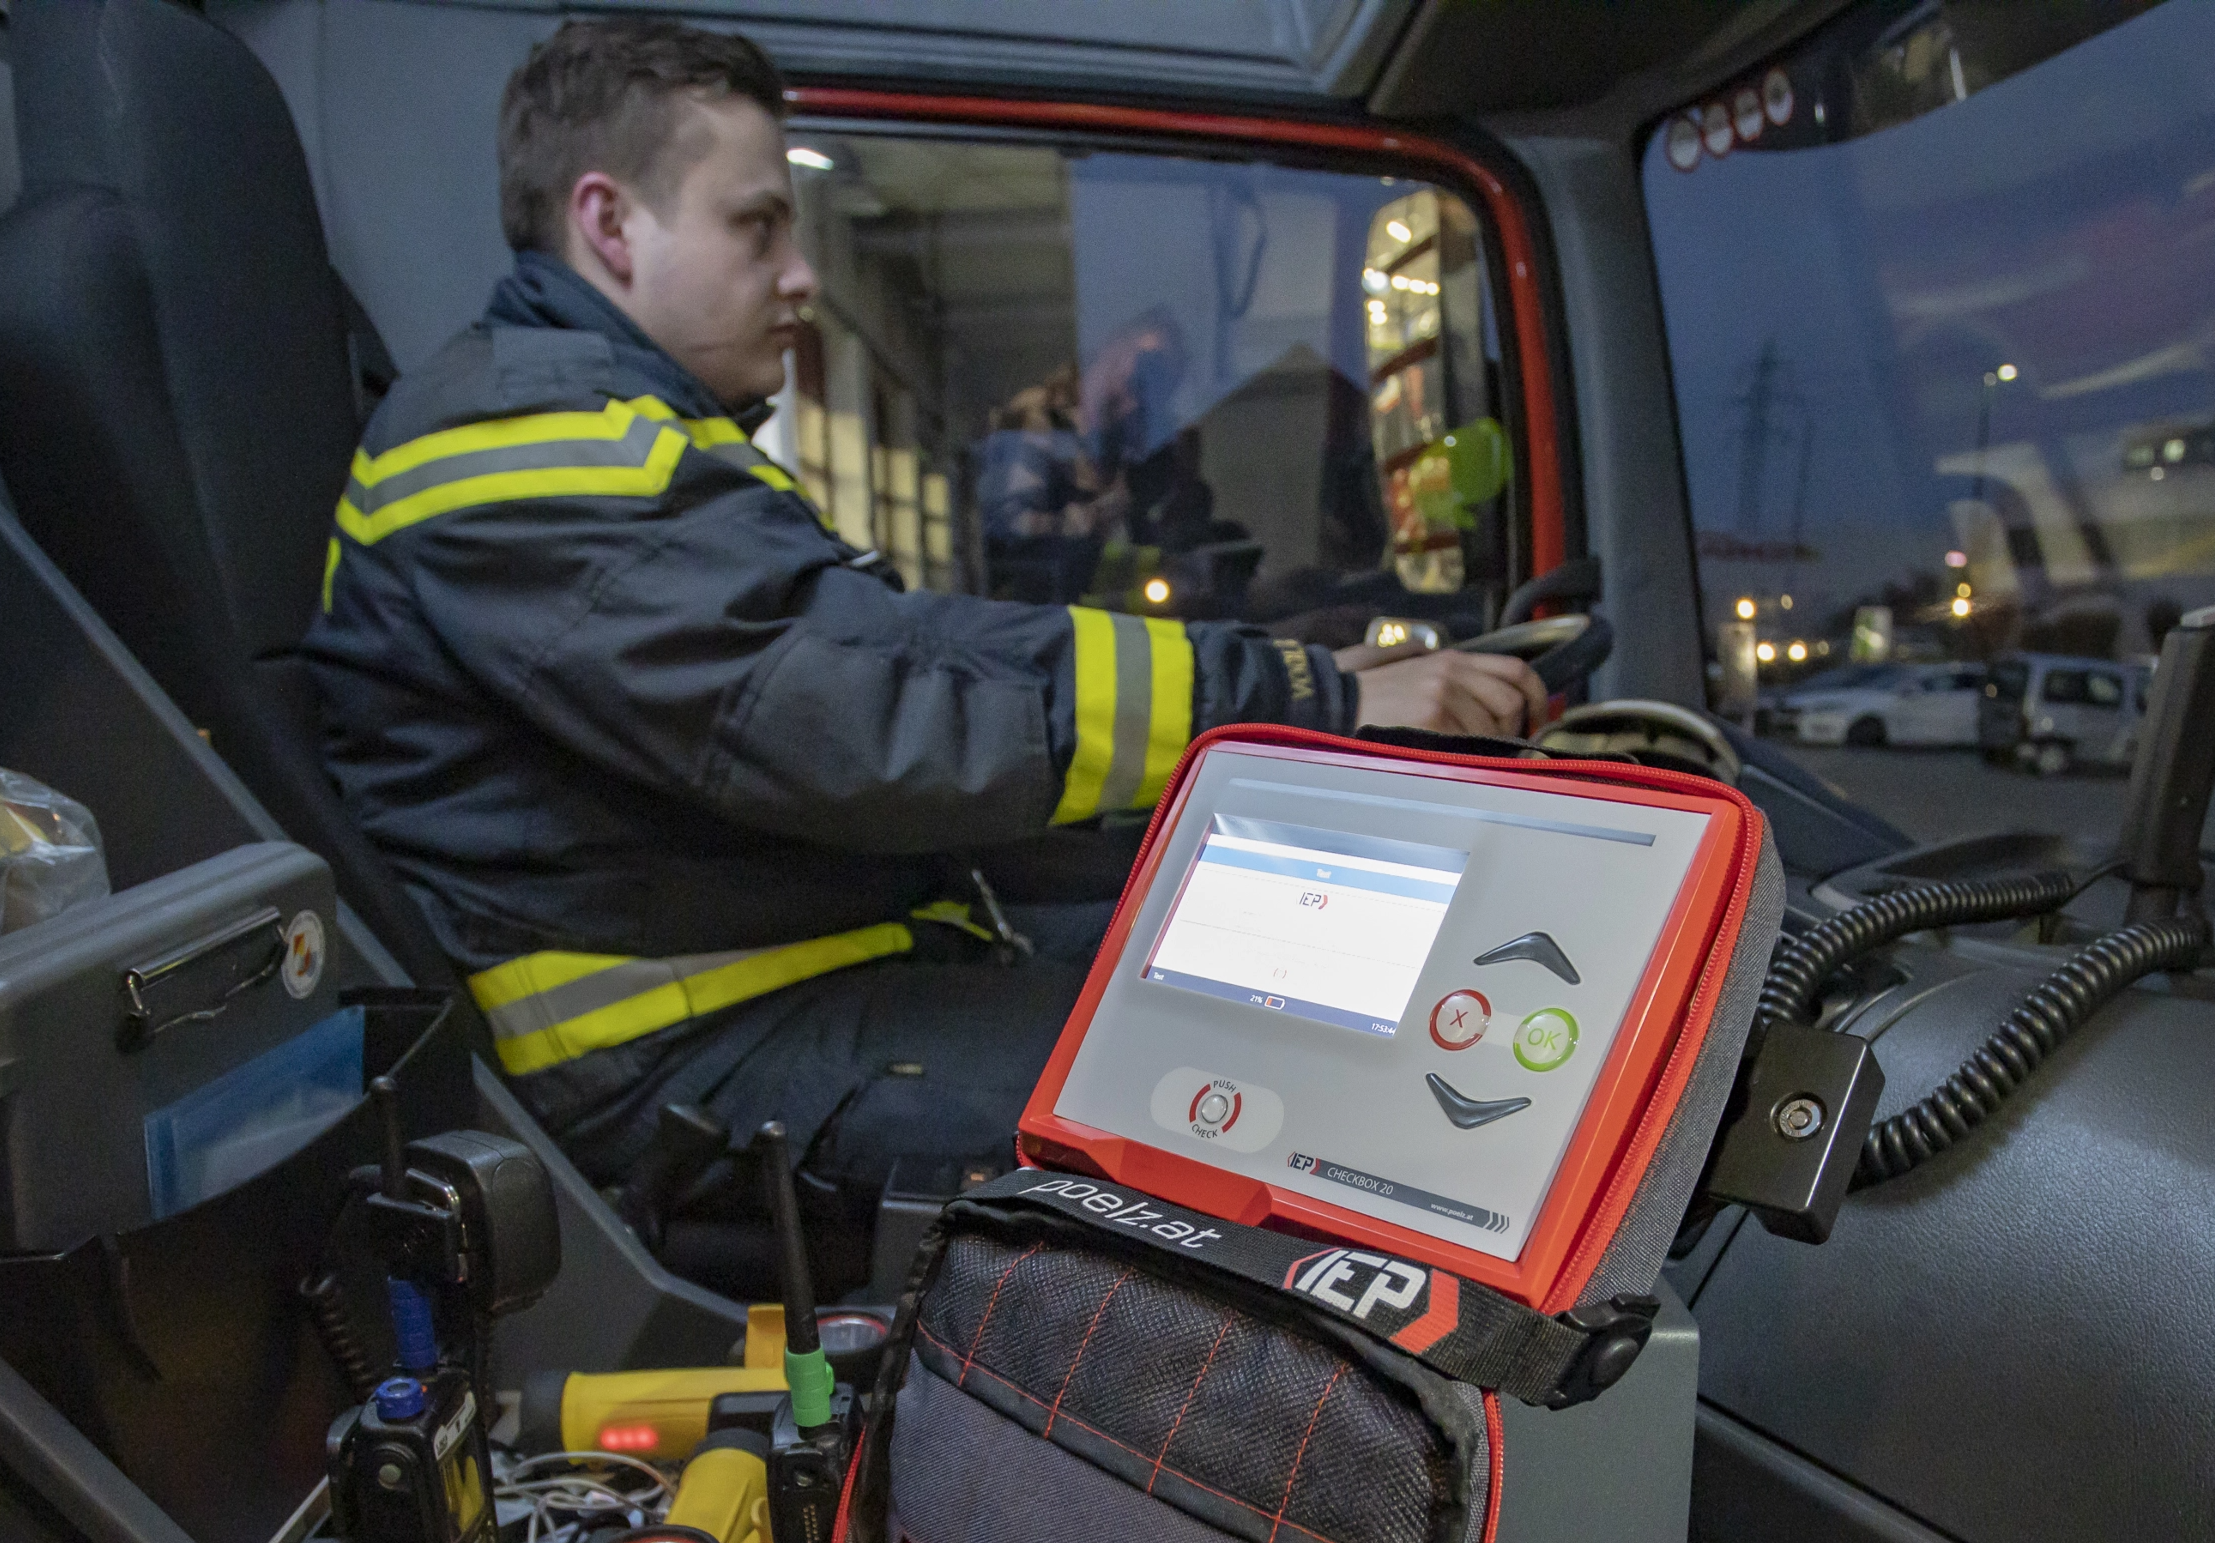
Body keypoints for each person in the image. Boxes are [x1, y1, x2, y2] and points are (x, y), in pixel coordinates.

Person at [302, 21, 1542, 1266]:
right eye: (757, 227)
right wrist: (1293, 692)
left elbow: (886, 653)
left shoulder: (613, 427)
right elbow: (866, 707)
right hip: (669, 1060)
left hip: (797, 958)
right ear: (610, 225)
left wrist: (1301, 671)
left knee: (1296, 973)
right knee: (1289, 1099)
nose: (799, 275)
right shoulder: (522, 440)